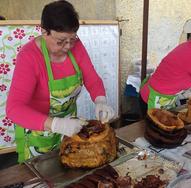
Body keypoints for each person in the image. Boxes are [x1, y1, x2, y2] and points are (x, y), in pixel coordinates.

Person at [6, 0, 114, 162]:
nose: (68, 46)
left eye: (72, 39)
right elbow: (14, 109)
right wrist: (56, 124)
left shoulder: (76, 46)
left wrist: (101, 100)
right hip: (39, 132)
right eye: (61, 41)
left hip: (70, 127)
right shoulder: (29, 57)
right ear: (44, 31)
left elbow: (92, 78)